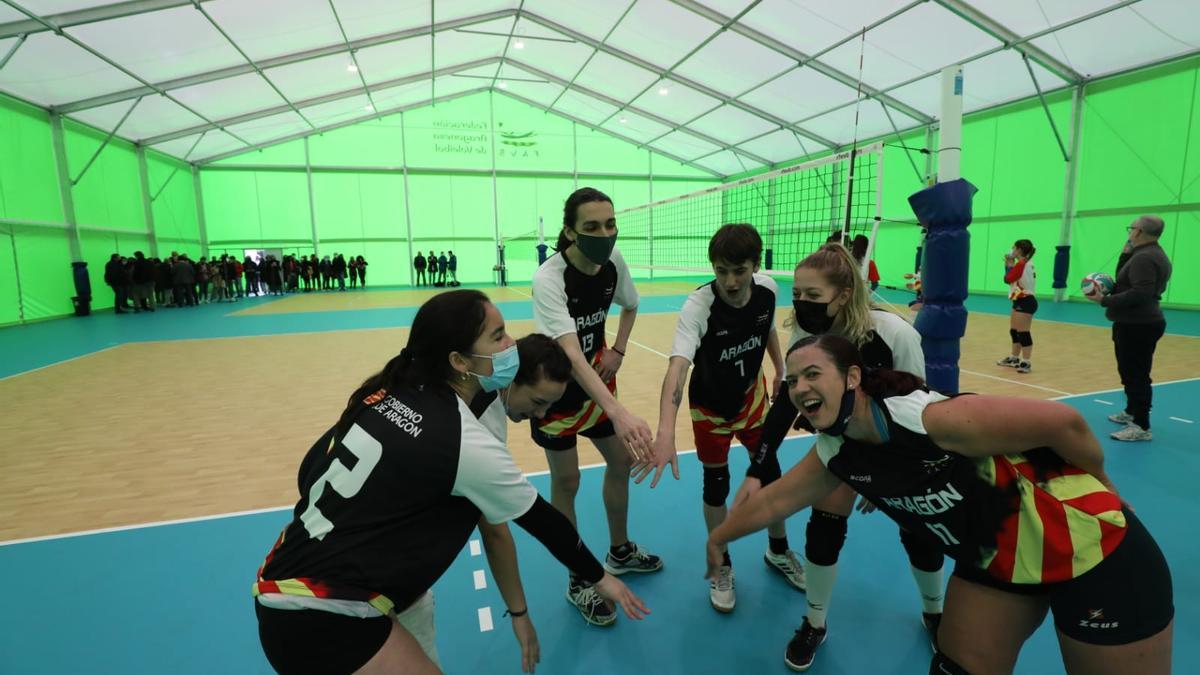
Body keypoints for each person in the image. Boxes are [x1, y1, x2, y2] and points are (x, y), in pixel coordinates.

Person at [713, 334, 1174, 675]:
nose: (800, 387)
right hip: (998, 558)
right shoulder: (836, 451)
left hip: (1094, 546)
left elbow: (1066, 424)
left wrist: (1104, 484)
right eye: (793, 380)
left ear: (853, 377)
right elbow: (776, 501)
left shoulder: (933, 420)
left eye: (813, 374)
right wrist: (719, 539)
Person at [253, 291, 648, 675]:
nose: (511, 343)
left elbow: (309, 472)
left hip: (305, 581)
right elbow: (542, 522)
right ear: (458, 360)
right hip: (322, 612)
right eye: (498, 336)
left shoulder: (392, 388)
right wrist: (601, 578)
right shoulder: (460, 437)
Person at [732, 243, 944, 671]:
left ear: (844, 295)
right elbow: (784, 404)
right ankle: (815, 622)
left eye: (813, 295)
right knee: (824, 527)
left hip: (897, 448)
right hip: (840, 446)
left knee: (917, 531)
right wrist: (757, 471)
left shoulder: (895, 335)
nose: (802, 303)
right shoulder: (807, 339)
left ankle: (935, 613)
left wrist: (885, 474)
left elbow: (921, 407)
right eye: (798, 294)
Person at [645, 224, 803, 614]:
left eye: (739, 270)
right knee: (716, 484)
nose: (730, 281)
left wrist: (781, 369)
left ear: (755, 266)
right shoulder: (698, 306)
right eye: (721, 271)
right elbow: (677, 370)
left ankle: (778, 551)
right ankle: (722, 564)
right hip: (710, 408)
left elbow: (765, 328)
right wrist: (665, 432)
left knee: (770, 471)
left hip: (751, 398)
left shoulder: (768, 290)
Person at [531, 187, 661, 626]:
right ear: (569, 231)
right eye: (591, 227)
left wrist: (619, 351)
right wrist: (620, 412)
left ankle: (619, 551)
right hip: (556, 394)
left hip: (599, 385)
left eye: (609, 224)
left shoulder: (613, 263)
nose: (604, 234)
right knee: (566, 482)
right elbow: (569, 353)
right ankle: (577, 577)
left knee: (620, 463)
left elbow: (632, 303)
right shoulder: (550, 279)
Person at [1086, 215, 1173, 442]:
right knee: (1128, 372)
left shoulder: (1146, 258)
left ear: (1139, 232)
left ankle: (1142, 426)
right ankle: (1132, 411)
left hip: (1139, 325)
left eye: (1131, 228)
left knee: (1137, 375)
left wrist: (1102, 301)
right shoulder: (1145, 254)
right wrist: (1125, 253)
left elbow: (1140, 293)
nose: (1129, 231)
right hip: (1132, 322)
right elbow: (1123, 281)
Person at [994, 239, 1038, 374]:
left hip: (1026, 301)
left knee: (1023, 333)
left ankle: (1026, 362)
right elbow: (1012, 278)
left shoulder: (1022, 264)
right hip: (1018, 300)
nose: (1011, 250)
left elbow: (1007, 279)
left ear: (1019, 250)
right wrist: (1010, 265)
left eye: (1013, 247)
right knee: (1014, 331)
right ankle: (1014, 358)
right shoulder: (1023, 263)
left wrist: (1008, 265)